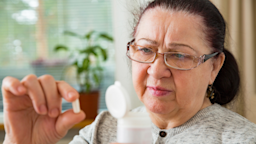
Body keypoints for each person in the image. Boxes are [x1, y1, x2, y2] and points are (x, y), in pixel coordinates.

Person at [2, 0, 256, 143]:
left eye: (179, 55)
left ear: (214, 65)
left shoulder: (243, 139)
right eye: (146, 50)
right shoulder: (102, 130)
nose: (156, 71)